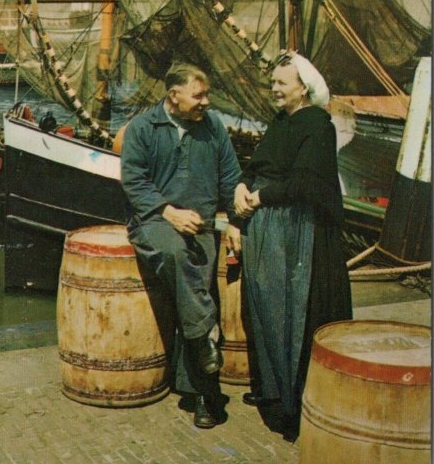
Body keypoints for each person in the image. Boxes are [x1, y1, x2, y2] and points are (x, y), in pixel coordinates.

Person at [226, 52, 352, 442]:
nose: (274, 90)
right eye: (273, 83)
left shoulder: (317, 126)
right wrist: (241, 187)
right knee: (268, 311)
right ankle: (273, 391)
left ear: (304, 88)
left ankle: (294, 404)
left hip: (300, 236)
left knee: (295, 316)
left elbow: (306, 185)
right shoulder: (280, 122)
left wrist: (259, 197)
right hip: (269, 231)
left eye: (282, 83)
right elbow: (258, 164)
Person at [121, 62, 241, 429]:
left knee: (198, 286)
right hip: (154, 222)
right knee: (176, 254)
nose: (206, 102)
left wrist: (235, 221)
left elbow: (231, 178)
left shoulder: (213, 128)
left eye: (206, 94)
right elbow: (134, 181)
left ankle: (202, 394)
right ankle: (206, 340)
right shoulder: (143, 128)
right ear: (173, 96)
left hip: (200, 226)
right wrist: (169, 213)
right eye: (198, 95)